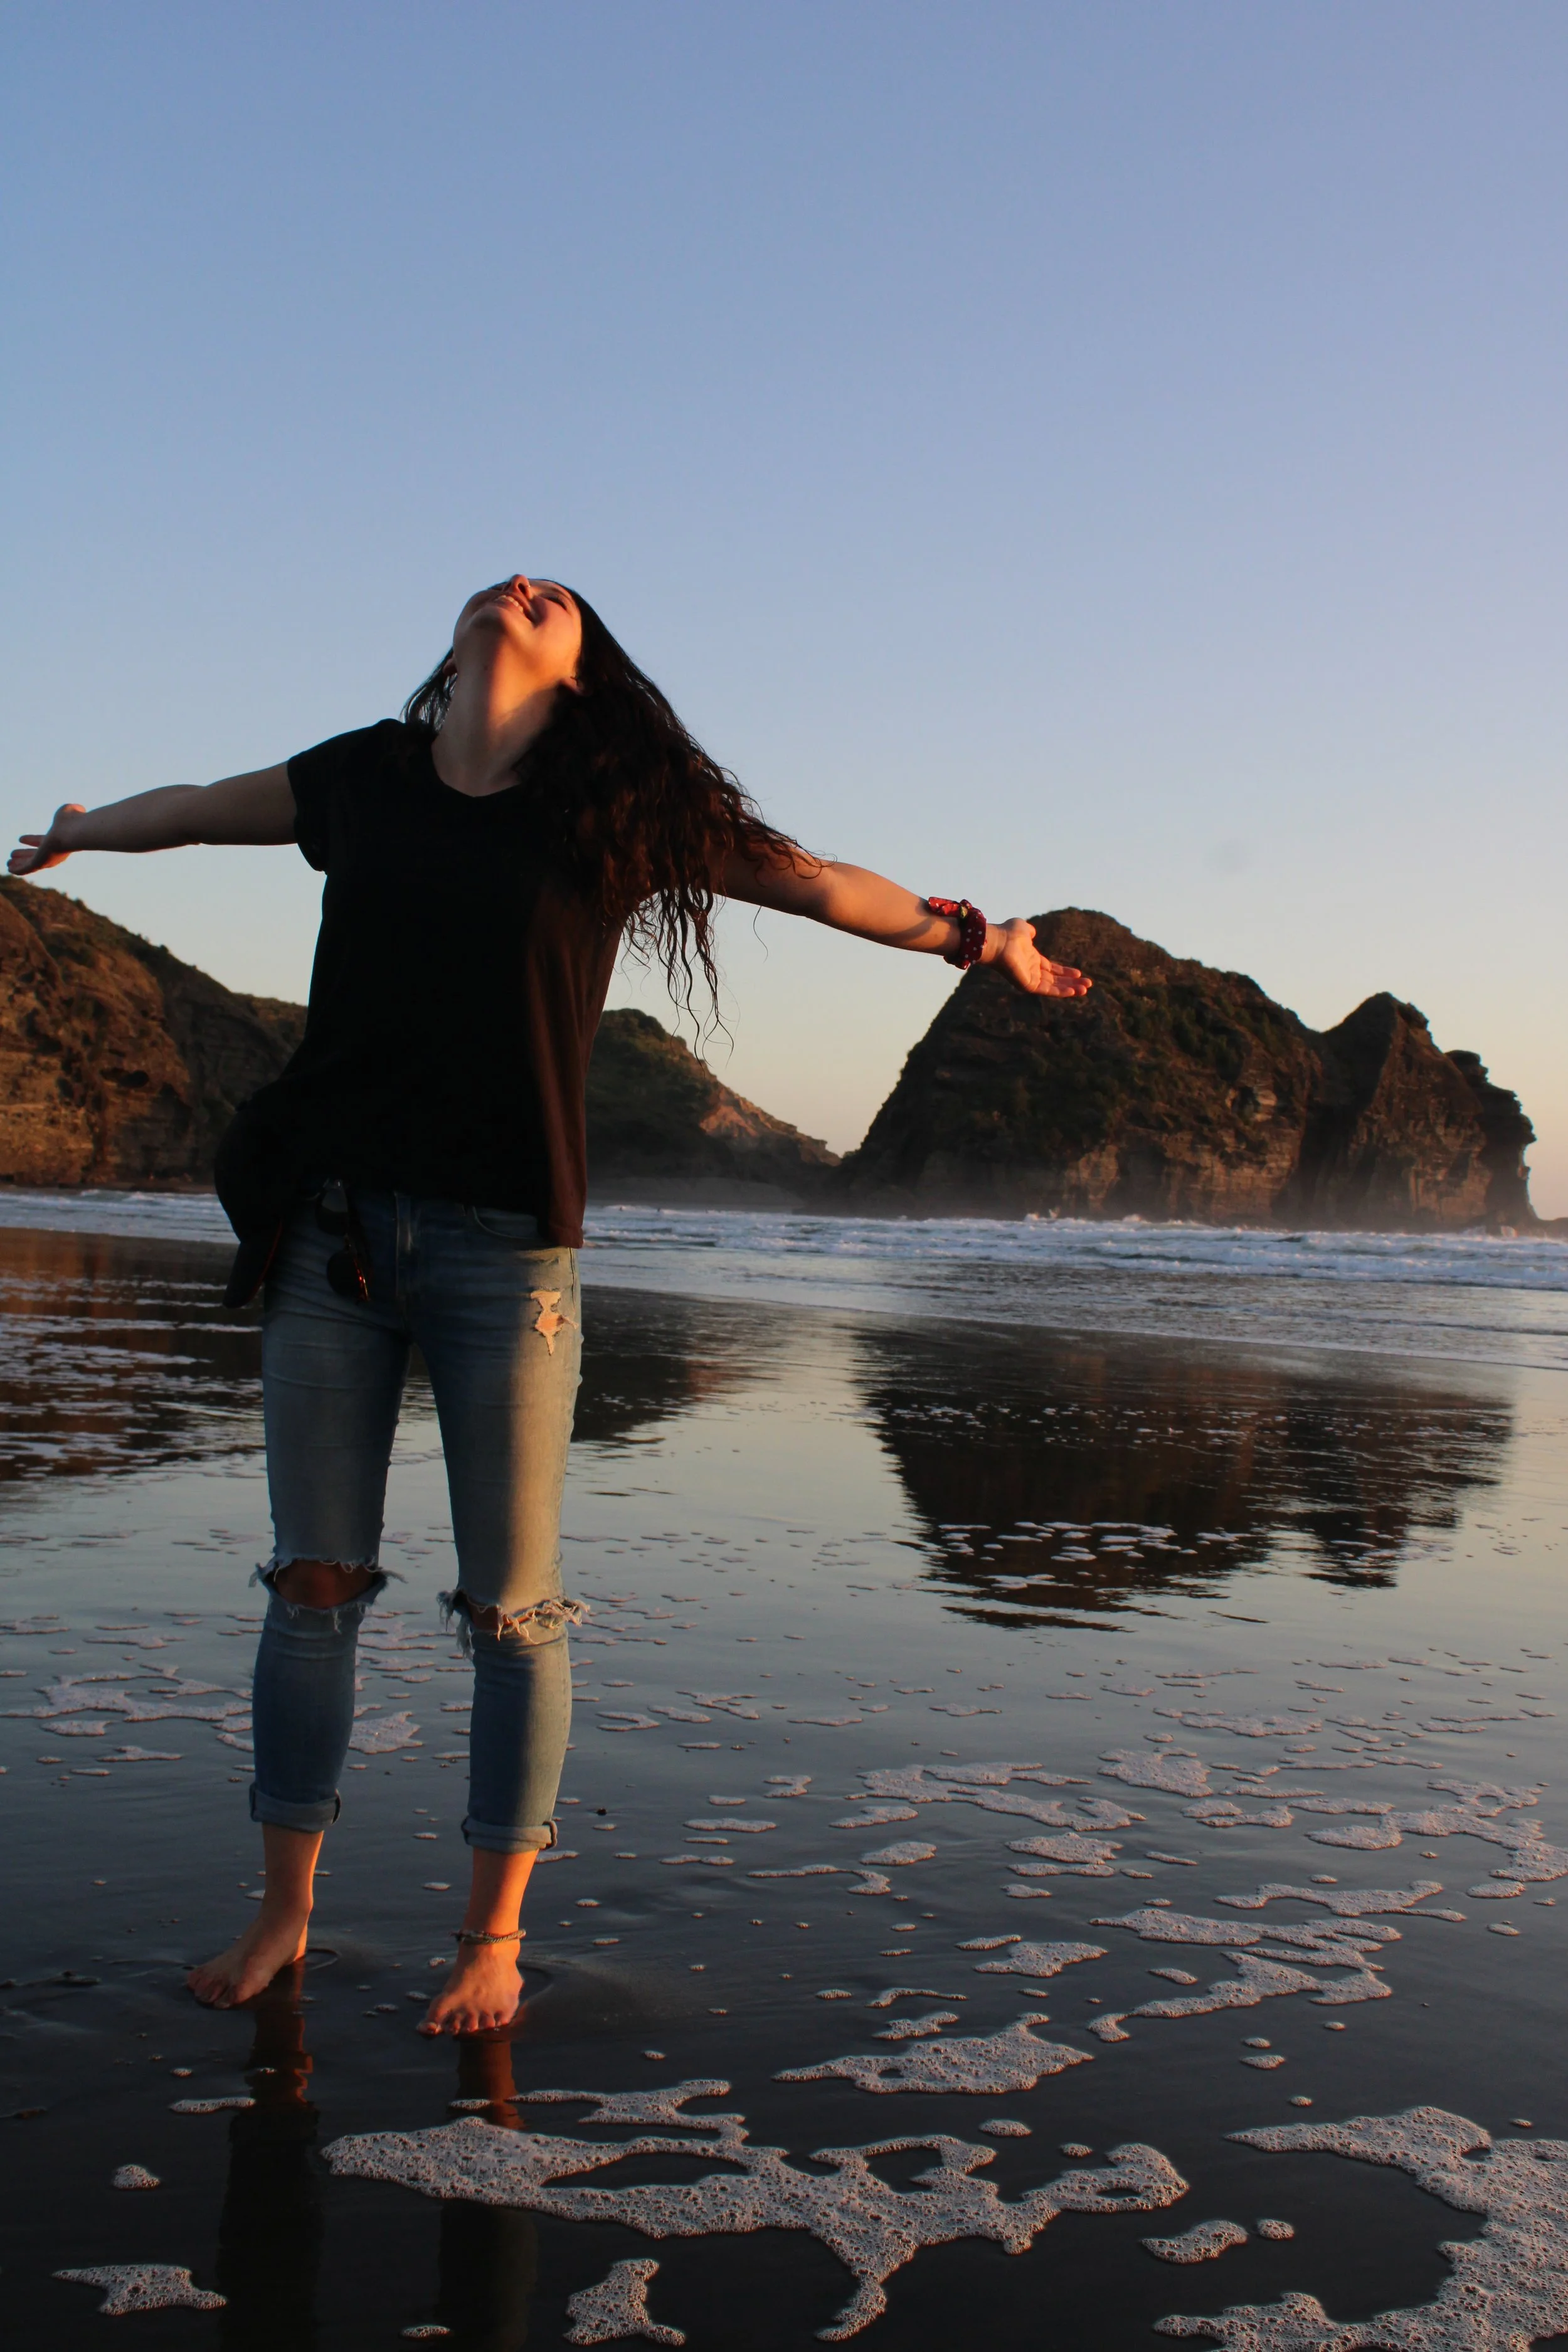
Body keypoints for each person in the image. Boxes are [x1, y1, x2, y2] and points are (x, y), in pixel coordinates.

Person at [9, 575, 1090, 2035]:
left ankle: (493, 1935)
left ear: (582, 672)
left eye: (559, 598)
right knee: (311, 1586)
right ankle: (283, 1912)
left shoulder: (616, 812)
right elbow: (200, 804)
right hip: (331, 1236)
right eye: (509, 581)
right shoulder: (365, 778)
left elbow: (823, 884)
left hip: (504, 1254)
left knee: (512, 1609)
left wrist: (979, 936)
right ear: (454, 642)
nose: (526, 587)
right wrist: (86, 831)